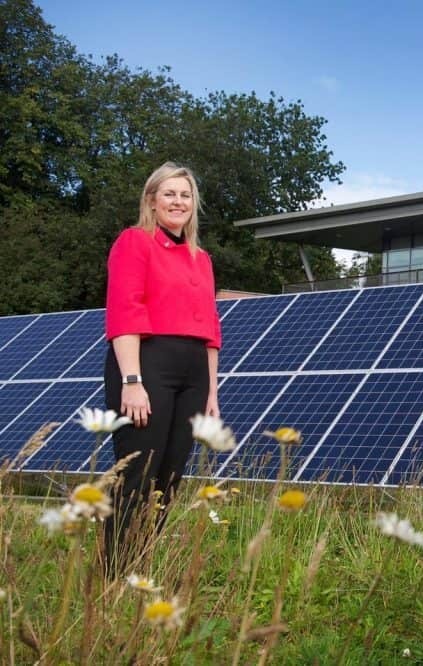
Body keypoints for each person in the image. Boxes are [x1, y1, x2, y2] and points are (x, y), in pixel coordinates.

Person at [103, 162, 221, 573]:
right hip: (147, 362)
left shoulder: (200, 258)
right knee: (138, 471)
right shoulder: (135, 242)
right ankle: (116, 574)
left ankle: (143, 564)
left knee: (169, 477)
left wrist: (211, 392)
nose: (178, 202)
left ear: (193, 205)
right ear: (152, 200)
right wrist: (132, 381)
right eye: (169, 194)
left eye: (185, 195)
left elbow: (209, 327)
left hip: (193, 371)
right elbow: (125, 311)